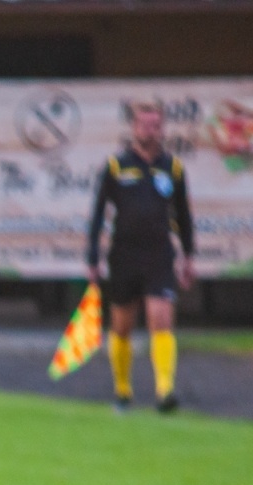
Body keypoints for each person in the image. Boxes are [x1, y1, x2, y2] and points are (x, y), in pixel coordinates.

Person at [87, 100, 196, 413]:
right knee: (121, 325)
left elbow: (184, 216)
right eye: (145, 124)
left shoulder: (172, 168)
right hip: (124, 254)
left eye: (156, 125)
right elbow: (98, 213)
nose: (151, 130)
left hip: (159, 253)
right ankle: (123, 391)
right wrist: (93, 255)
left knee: (161, 318)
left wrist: (188, 256)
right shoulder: (116, 165)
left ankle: (165, 391)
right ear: (134, 127)